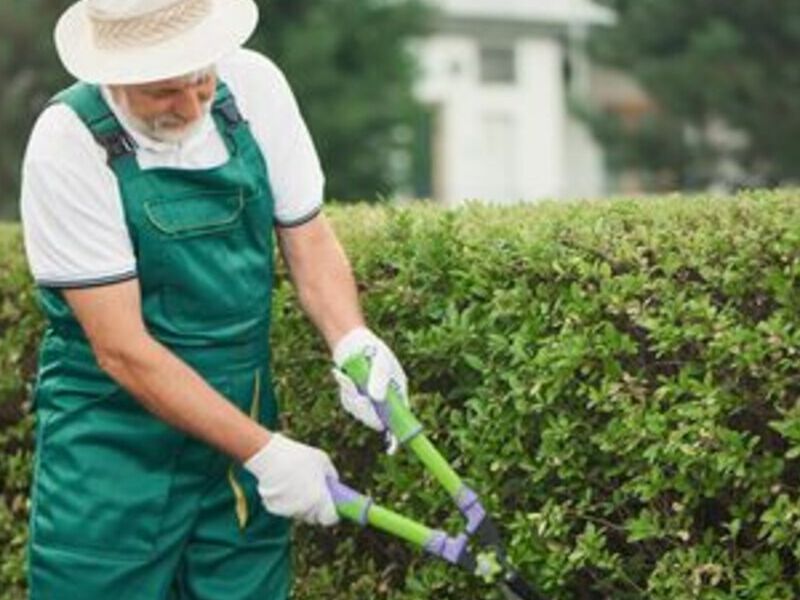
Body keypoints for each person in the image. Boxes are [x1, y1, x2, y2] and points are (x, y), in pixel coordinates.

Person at [19, 0, 409, 598]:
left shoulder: (255, 86)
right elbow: (122, 349)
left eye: (202, 79)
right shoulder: (68, 142)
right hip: (111, 455)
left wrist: (351, 338)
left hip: (238, 446)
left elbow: (309, 239)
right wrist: (269, 454)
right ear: (113, 77)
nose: (194, 104)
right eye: (164, 93)